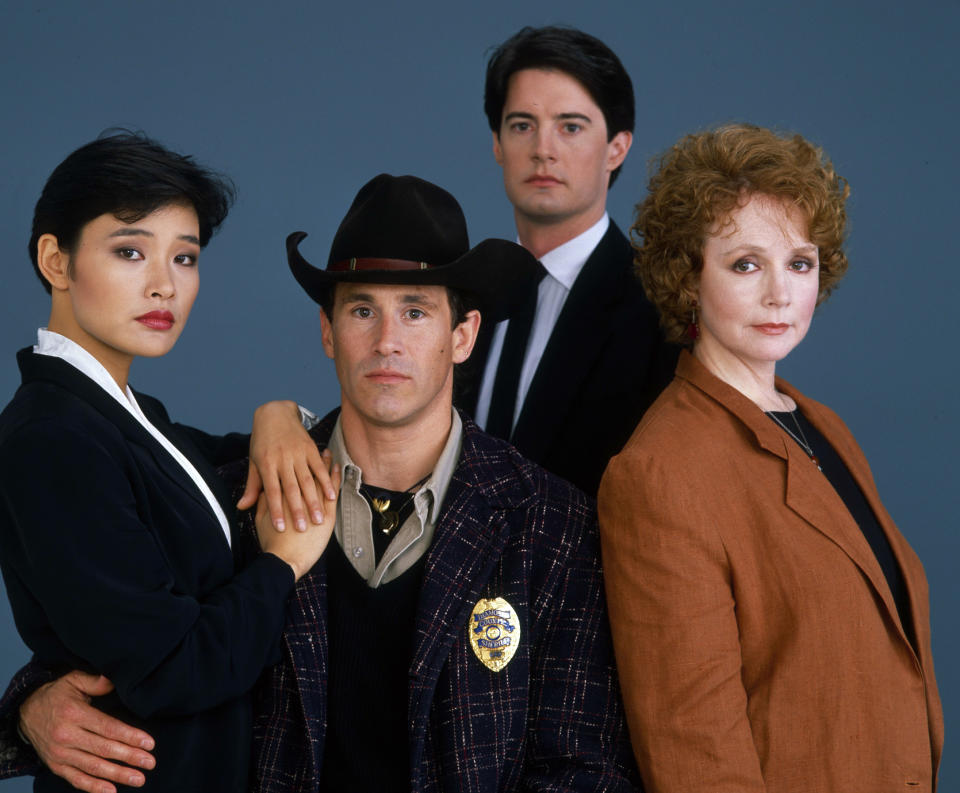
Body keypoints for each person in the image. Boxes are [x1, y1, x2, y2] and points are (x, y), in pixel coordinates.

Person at [5, 174, 641, 792]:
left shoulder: (552, 525)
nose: (387, 341)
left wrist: (274, 416)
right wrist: (30, 709)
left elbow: (584, 767)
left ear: (463, 335)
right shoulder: (239, 497)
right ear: (327, 332)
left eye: (416, 312)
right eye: (363, 309)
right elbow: (124, 632)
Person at [598, 124, 943, 792]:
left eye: (800, 262)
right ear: (687, 274)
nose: (781, 293)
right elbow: (695, 756)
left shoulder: (823, 425)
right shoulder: (658, 474)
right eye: (746, 264)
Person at [0, 132, 339, 792]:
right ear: (56, 260)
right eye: (130, 251)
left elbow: (236, 465)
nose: (165, 284)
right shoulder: (52, 438)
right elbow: (175, 667)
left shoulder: (128, 415)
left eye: (185, 258)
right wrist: (282, 564)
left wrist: (278, 414)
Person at [459, 25, 678, 495]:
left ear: (617, 148)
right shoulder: (459, 294)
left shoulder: (662, 310)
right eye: (522, 125)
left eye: (570, 126)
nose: (543, 149)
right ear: (497, 143)